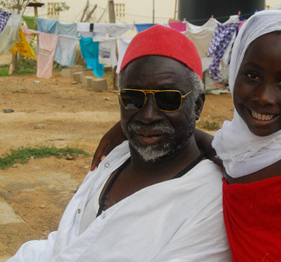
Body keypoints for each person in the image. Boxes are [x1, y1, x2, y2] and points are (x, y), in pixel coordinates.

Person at [92, 10, 281, 262]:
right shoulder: (233, 154)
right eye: (252, 76)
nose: (264, 97)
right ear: (235, 74)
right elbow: (199, 138)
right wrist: (134, 120)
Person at [8, 25, 231, 262]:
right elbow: (68, 243)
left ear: (197, 105)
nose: (147, 115)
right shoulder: (114, 158)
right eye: (133, 98)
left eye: (168, 99)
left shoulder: (211, 201)